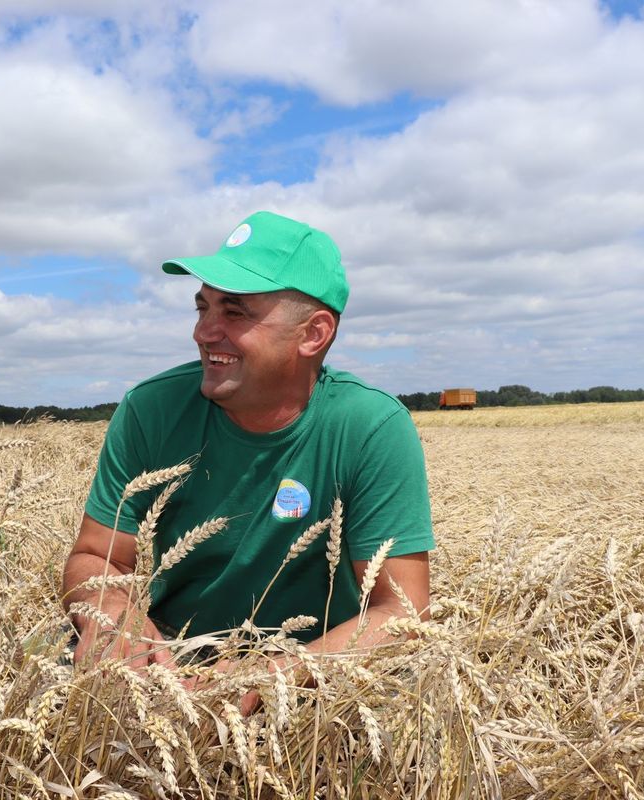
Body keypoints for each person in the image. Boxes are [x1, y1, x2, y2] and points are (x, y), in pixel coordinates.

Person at [61, 210, 433, 674]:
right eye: (203, 307)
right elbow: (97, 555)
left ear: (313, 334)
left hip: (316, 676)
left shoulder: (370, 427)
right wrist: (114, 617)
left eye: (234, 311)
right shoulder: (150, 409)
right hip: (166, 660)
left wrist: (269, 675)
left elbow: (402, 611)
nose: (203, 332)